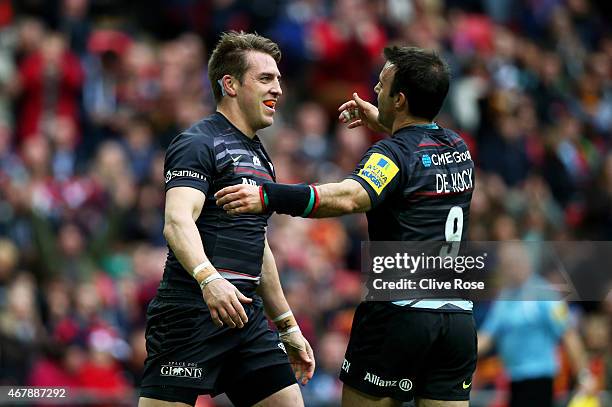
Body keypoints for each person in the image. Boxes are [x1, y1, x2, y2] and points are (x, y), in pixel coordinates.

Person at [216, 46, 477, 406]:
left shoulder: (392, 154)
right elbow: (422, 143)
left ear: (399, 100)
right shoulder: (459, 149)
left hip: (400, 314)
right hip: (456, 320)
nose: (374, 91)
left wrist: (268, 196)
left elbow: (349, 197)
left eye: (382, 86)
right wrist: (387, 120)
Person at [138, 31, 314, 407]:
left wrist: (287, 325)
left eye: (279, 80)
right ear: (230, 84)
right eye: (266, 79)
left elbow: (257, 242)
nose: (278, 90)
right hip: (190, 313)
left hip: (244, 318)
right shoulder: (198, 142)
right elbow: (176, 222)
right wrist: (209, 280)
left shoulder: (261, 156)